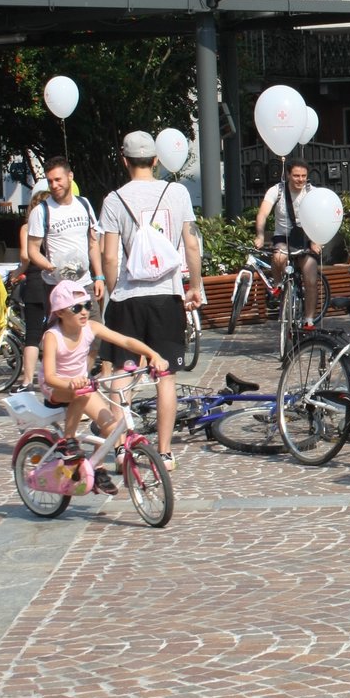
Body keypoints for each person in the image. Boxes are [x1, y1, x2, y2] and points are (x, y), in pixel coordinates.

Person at [99, 131, 203, 470]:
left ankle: (120, 448)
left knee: (121, 374)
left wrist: (115, 292)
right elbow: (191, 244)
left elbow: (110, 257)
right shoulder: (177, 193)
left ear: (123, 159)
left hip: (128, 297)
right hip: (166, 295)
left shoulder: (114, 199)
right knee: (166, 374)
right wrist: (194, 286)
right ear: (156, 160)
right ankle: (166, 451)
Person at [39, 281, 167, 494]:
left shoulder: (90, 327)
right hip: (56, 387)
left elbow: (125, 341)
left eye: (87, 306)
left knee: (109, 425)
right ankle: (67, 442)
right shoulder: (53, 336)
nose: (84, 312)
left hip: (82, 385)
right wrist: (70, 382)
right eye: (76, 308)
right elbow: (50, 376)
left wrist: (153, 354)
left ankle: (95, 467)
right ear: (60, 312)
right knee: (81, 392)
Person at [24, 157, 104, 389]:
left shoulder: (84, 204)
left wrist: (98, 276)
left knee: (94, 334)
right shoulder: (42, 211)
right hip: (58, 287)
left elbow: (93, 243)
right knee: (62, 339)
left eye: (58, 179)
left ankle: (83, 378)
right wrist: (50, 267)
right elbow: (32, 250)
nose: (54, 185)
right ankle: (61, 384)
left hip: (85, 283)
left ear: (70, 177)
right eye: (50, 181)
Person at [253, 159, 322, 326]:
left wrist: (316, 241)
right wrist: (260, 235)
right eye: (296, 175)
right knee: (278, 258)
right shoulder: (276, 191)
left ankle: (309, 319)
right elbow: (262, 214)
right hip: (283, 237)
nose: (300, 179)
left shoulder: (312, 192)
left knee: (310, 277)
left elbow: (320, 217)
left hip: (306, 238)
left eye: (303, 176)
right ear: (288, 175)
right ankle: (278, 286)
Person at [15, 187, 52, 393]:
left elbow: (25, 255)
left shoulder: (27, 227)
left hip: (34, 280)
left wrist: (19, 270)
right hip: (52, 281)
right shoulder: (54, 224)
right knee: (54, 334)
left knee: (32, 334)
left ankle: (27, 380)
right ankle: (50, 379)